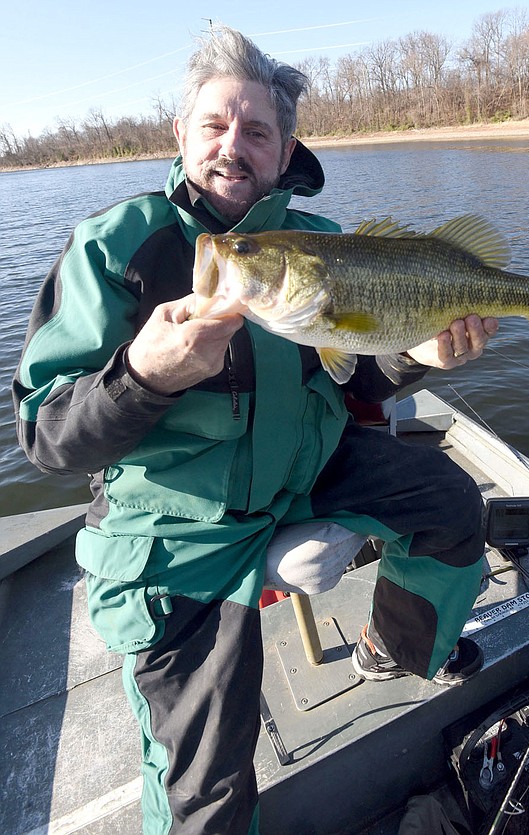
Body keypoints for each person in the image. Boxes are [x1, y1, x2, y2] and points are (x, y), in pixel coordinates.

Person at [13, 25, 498, 835]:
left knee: (452, 503)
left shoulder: (323, 245)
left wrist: (416, 355)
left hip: (308, 468)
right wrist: (144, 375)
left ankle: (393, 646)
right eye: (214, 124)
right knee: (206, 792)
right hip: (177, 531)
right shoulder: (114, 249)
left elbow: (355, 377)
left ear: (284, 150)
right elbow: (47, 435)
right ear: (182, 134)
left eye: (257, 131)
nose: (232, 145)